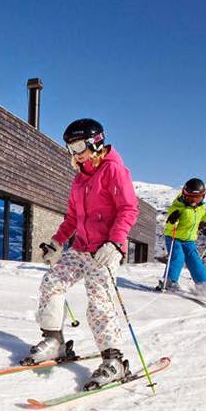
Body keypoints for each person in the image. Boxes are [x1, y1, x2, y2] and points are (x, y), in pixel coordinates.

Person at [22, 118, 140, 391]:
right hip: (81, 248)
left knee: (99, 301)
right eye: (70, 148)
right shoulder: (79, 179)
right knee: (52, 282)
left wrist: (115, 243)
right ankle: (55, 341)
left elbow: (129, 209)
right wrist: (57, 243)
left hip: (104, 251)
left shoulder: (114, 170)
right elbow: (73, 218)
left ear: (95, 143)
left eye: (78, 146)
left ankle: (114, 361)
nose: (74, 153)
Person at [158, 178, 206, 293]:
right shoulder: (177, 208)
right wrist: (172, 220)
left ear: (203, 196)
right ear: (184, 195)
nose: (193, 201)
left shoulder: (200, 208)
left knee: (195, 261)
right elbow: (170, 226)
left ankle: (203, 284)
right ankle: (169, 281)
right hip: (174, 238)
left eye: (197, 198)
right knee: (178, 257)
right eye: (190, 198)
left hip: (189, 240)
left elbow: (203, 214)